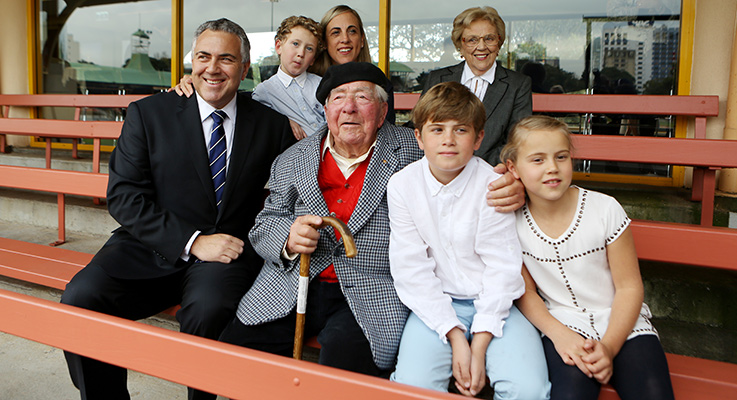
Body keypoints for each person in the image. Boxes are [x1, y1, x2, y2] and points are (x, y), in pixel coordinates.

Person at [60, 18, 295, 400]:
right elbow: (124, 195)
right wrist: (193, 241)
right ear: (191, 62)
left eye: (226, 59)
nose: (212, 68)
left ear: (244, 69)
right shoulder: (148, 114)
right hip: (149, 246)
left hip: (226, 254)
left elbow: (287, 196)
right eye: (203, 57)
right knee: (81, 299)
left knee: (208, 310)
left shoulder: (272, 125)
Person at [217, 62, 419, 378]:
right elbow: (264, 224)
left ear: (382, 112)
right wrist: (288, 237)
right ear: (326, 110)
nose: (349, 107)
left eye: (362, 97)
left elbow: (458, 179)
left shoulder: (414, 151)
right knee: (238, 355)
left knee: (342, 365)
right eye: (338, 98)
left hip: (372, 290)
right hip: (294, 282)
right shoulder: (292, 158)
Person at [387, 82, 550, 399]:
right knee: (413, 386)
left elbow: (502, 268)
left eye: (460, 130)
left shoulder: (493, 185)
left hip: (499, 303)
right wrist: (455, 336)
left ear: (478, 139)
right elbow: (411, 268)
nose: (448, 140)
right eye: (437, 129)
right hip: (435, 303)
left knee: (528, 390)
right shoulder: (402, 186)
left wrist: (480, 342)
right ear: (419, 138)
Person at [503, 115, 675, 400]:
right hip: (562, 325)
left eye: (561, 157)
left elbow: (629, 287)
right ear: (513, 168)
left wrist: (608, 347)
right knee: (570, 394)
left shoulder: (605, 209)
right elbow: (526, 292)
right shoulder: (511, 222)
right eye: (537, 160)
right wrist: (559, 335)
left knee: (653, 393)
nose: (552, 167)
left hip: (622, 322)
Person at [420, 6, 532, 166]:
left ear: (499, 43)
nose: (481, 46)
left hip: (492, 172)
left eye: (489, 39)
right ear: (460, 44)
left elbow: (518, 140)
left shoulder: (518, 84)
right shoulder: (437, 79)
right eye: (472, 40)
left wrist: (477, 168)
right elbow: (422, 126)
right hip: (441, 169)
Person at [310, 5, 396, 124]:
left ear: (362, 39)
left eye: (352, 31)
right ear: (324, 42)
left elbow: (387, 131)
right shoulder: (309, 83)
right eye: (336, 32)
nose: (345, 39)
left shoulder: (380, 83)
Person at [251, 16, 326, 140]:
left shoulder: (322, 84)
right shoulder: (265, 91)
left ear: (313, 59)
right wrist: (284, 121)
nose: (301, 53)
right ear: (278, 46)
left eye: (309, 48)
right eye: (295, 44)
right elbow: (262, 126)